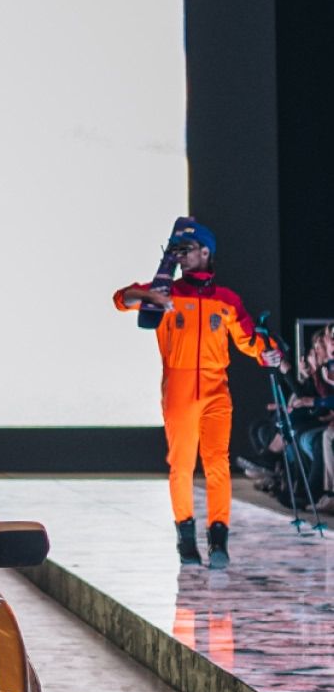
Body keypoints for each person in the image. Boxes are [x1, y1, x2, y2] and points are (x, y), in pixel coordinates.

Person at [113, 218, 281, 568]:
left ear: (206, 252)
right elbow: (120, 299)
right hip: (179, 387)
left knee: (218, 463)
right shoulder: (168, 291)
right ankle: (185, 539)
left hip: (217, 388)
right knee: (182, 465)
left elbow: (249, 341)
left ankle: (218, 539)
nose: (181, 257)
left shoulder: (227, 300)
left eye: (186, 250)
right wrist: (148, 294)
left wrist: (267, 350)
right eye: (176, 250)